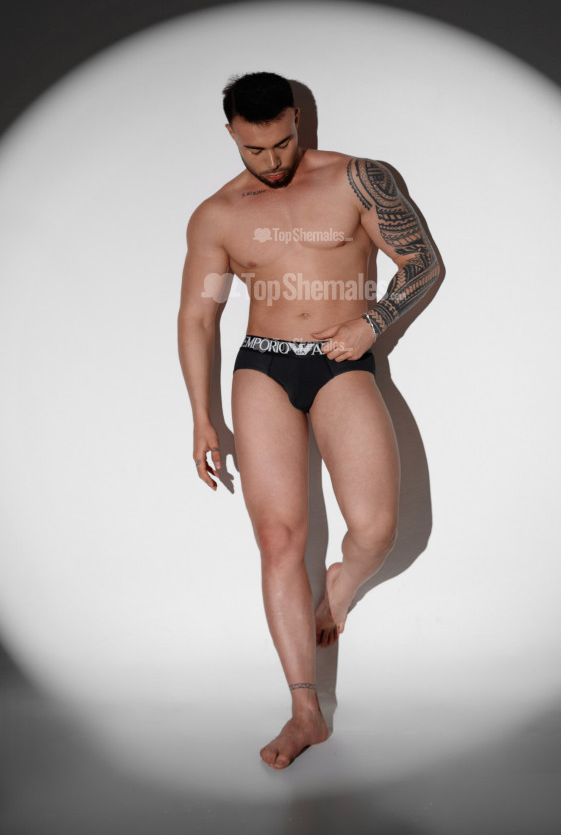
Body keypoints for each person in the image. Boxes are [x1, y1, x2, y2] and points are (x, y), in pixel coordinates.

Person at [178, 72, 445, 770]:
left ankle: (340, 588)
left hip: (339, 361)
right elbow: (200, 316)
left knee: (377, 530)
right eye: (254, 149)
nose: (271, 161)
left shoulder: (358, 180)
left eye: (281, 143)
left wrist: (372, 324)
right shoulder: (218, 215)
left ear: (297, 119)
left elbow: (423, 262)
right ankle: (305, 712)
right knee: (277, 540)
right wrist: (202, 416)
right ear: (232, 135)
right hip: (263, 368)